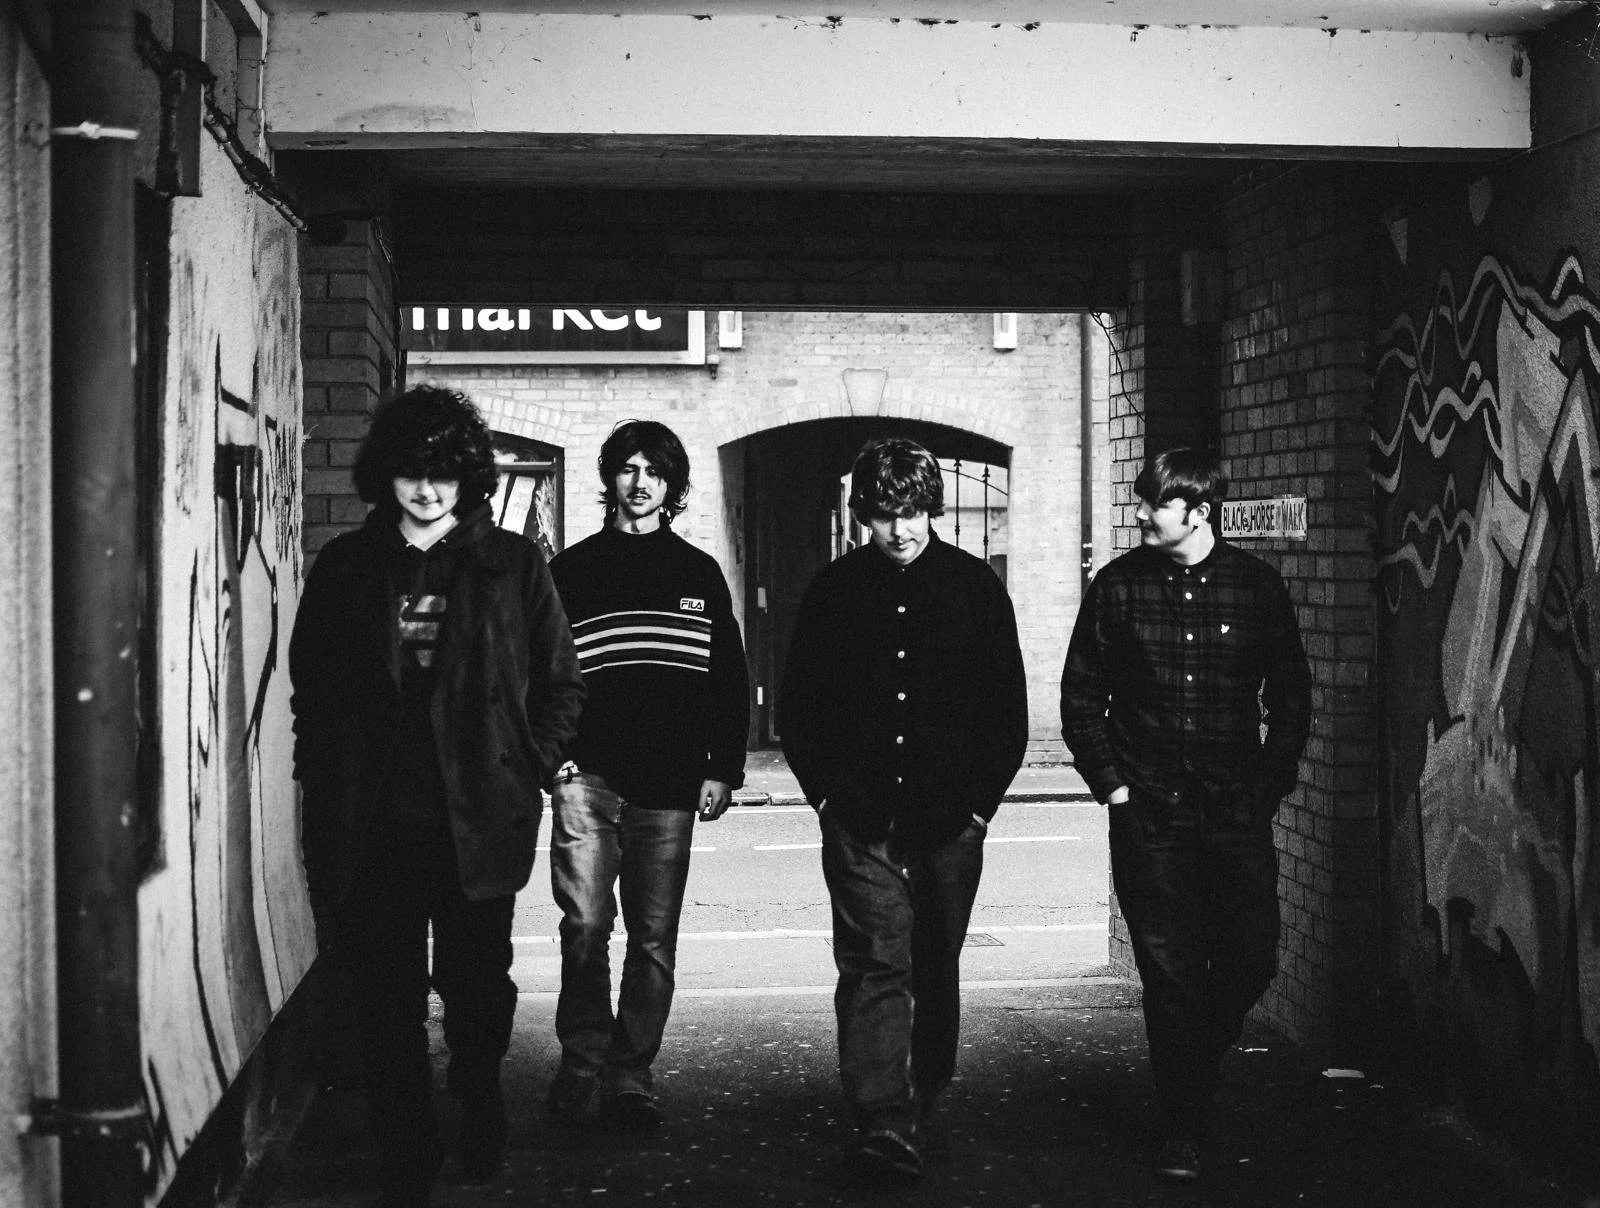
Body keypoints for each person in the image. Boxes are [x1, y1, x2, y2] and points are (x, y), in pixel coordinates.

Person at [289, 386, 585, 1208]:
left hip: (477, 818)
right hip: (373, 821)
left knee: (477, 987)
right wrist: (324, 776)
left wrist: (528, 765)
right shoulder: (348, 567)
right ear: (384, 474)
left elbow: (561, 683)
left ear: (469, 478)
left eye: (444, 474)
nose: (426, 490)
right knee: (385, 997)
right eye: (412, 472)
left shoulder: (513, 565)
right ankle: (407, 1147)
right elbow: (313, 688)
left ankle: (481, 1097)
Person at [1059, 446, 1311, 1183]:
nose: (1140, 513)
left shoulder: (1256, 588)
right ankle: (1182, 1127)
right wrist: (1114, 788)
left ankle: (1191, 1067)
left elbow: (1291, 698)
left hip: (1235, 812)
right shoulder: (1118, 588)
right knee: (1170, 975)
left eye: (1155, 504)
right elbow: (1081, 697)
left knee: (1252, 954)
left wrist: (1265, 788)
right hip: (1149, 817)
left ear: (1198, 513)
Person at [779, 436, 1028, 1181]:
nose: (900, 529)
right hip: (859, 818)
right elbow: (801, 706)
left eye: (913, 512)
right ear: (864, 514)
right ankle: (882, 1115)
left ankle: (926, 1092)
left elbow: (1006, 711)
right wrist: (827, 797)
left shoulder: (975, 589)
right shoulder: (833, 592)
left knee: (935, 960)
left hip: (950, 820)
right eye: (886, 514)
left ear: (931, 509)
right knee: (874, 962)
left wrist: (978, 809)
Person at [545, 419, 750, 1130]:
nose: (640, 483)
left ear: (672, 486)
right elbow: (537, 670)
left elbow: (728, 678)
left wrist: (722, 768)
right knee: (585, 924)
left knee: (653, 937)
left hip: (670, 782)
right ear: (610, 478)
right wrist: (552, 755)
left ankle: (629, 1074)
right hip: (587, 777)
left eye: (654, 472)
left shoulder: (697, 573)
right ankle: (582, 1061)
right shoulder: (571, 571)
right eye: (629, 469)